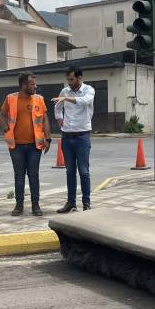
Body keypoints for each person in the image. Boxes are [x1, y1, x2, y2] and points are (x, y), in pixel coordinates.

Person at [0, 72, 51, 216]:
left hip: (35, 146)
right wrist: (5, 127)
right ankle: (19, 206)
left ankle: (36, 206)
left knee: (34, 175)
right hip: (16, 146)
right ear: (23, 85)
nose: (35, 86)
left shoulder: (39, 99)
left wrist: (48, 138)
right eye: (32, 84)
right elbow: (2, 114)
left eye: (35, 84)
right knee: (19, 175)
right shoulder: (10, 99)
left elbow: (45, 119)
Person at [52, 67, 95, 213]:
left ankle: (86, 203)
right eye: (68, 80)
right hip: (67, 136)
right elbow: (58, 107)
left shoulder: (89, 90)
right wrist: (59, 118)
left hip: (82, 136)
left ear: (79, 77)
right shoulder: (64, 91)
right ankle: (71, 203)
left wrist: (65, 99)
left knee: (84, 172)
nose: (69, 83)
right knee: (70, 171)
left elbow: (84, 102)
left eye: (71, 79)